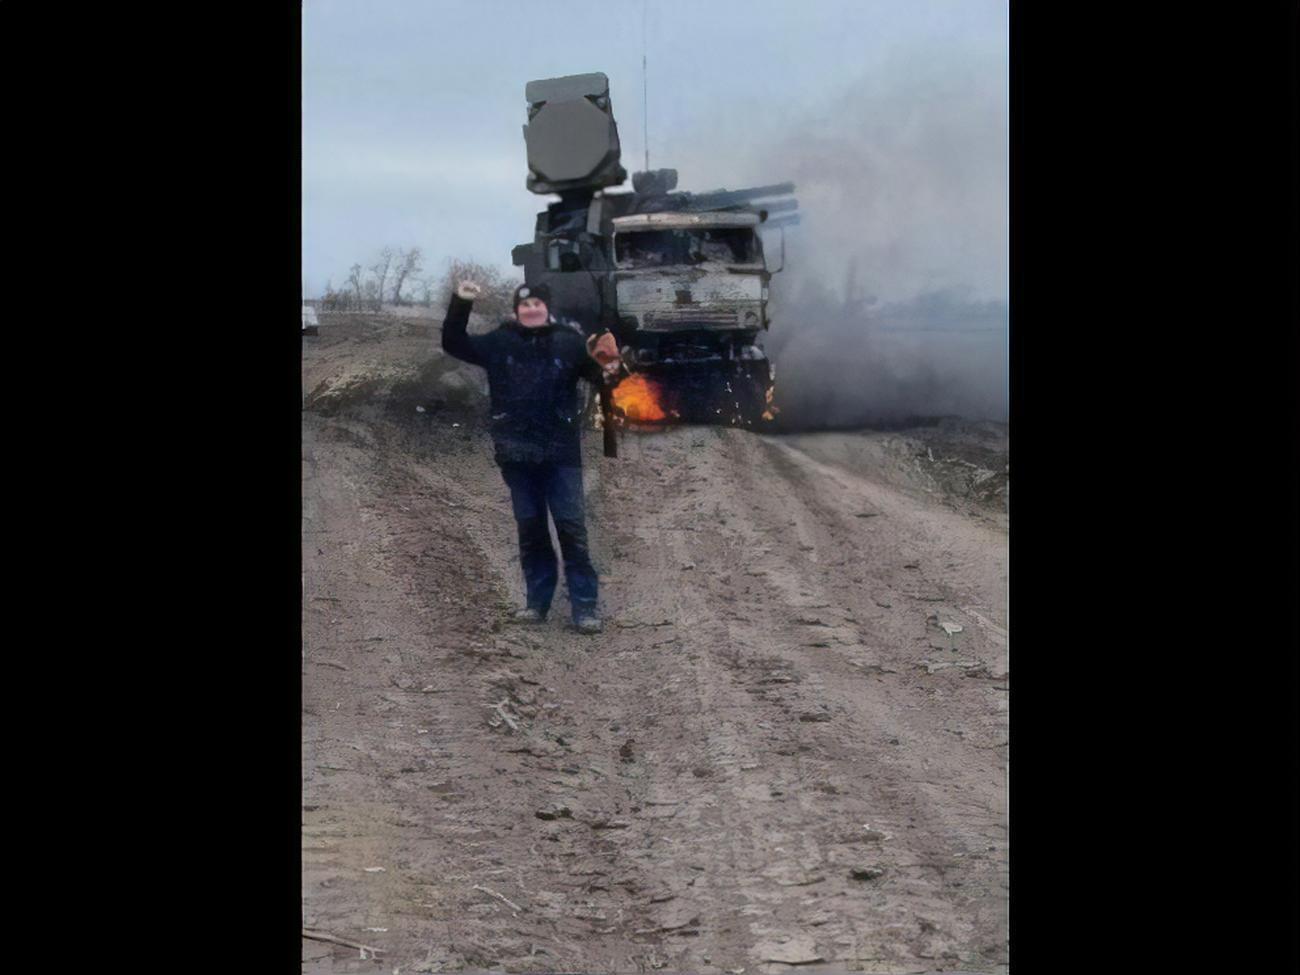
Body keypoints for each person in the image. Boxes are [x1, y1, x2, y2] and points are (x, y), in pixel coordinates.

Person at [441, 279, 622, 634]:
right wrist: (461, 302)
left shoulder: (569, 344)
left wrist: (611, 368)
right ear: (516, 310)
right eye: (525, 305)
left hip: (561, 455)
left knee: (571, 528)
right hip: (517, 454)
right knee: (532, 530)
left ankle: (585, 608)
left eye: (538, 303)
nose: (531, 309)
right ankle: (537, 604)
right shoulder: (498, 342)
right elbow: (453, 342)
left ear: (547, 308)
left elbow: (603, 379)